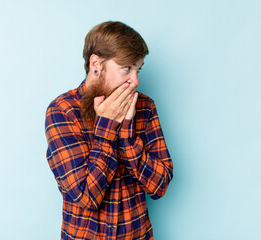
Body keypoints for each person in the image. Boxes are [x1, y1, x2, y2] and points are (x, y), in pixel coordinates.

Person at [44, 21, 173, 240]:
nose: (135, 81)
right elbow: (87, 197)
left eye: (138, 69)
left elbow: (159, 186)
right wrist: (107, 125)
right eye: (127, 68)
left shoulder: (145, 107)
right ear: (96, 64)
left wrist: (126, 135)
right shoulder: (63, 111)